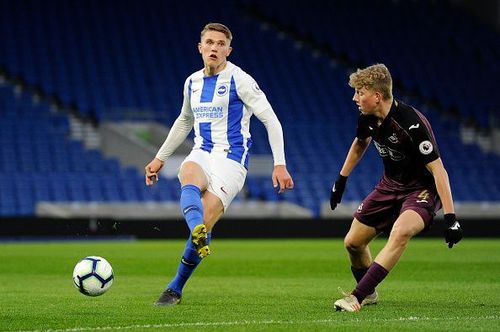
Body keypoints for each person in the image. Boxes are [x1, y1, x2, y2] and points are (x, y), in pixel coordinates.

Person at [144, 23, 294, 306]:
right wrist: (160, 157)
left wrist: (280, 163)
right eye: (209, 42)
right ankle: (196, 236)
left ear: (228, 50)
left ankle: (177, 285)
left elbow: (271, 119)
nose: (214, 48)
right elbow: (185, 120)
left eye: (220, 44)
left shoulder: (241, 80)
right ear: (200, 47)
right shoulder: (192, 82)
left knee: (207, 215)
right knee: (187, 172)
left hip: (232, 160)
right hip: (202, 151)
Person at [330, 64, 463, 312]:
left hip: (421, 189)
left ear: (377, 96)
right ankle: (369, 294)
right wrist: (341, 179)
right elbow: (360, 143)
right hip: (390, 185)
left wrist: (451, 217)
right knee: (353, 243)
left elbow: (439, 170)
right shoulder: (367, 118)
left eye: (360, 92)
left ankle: (356, 297)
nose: (354, 98)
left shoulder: (411, 125)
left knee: (400, 233)